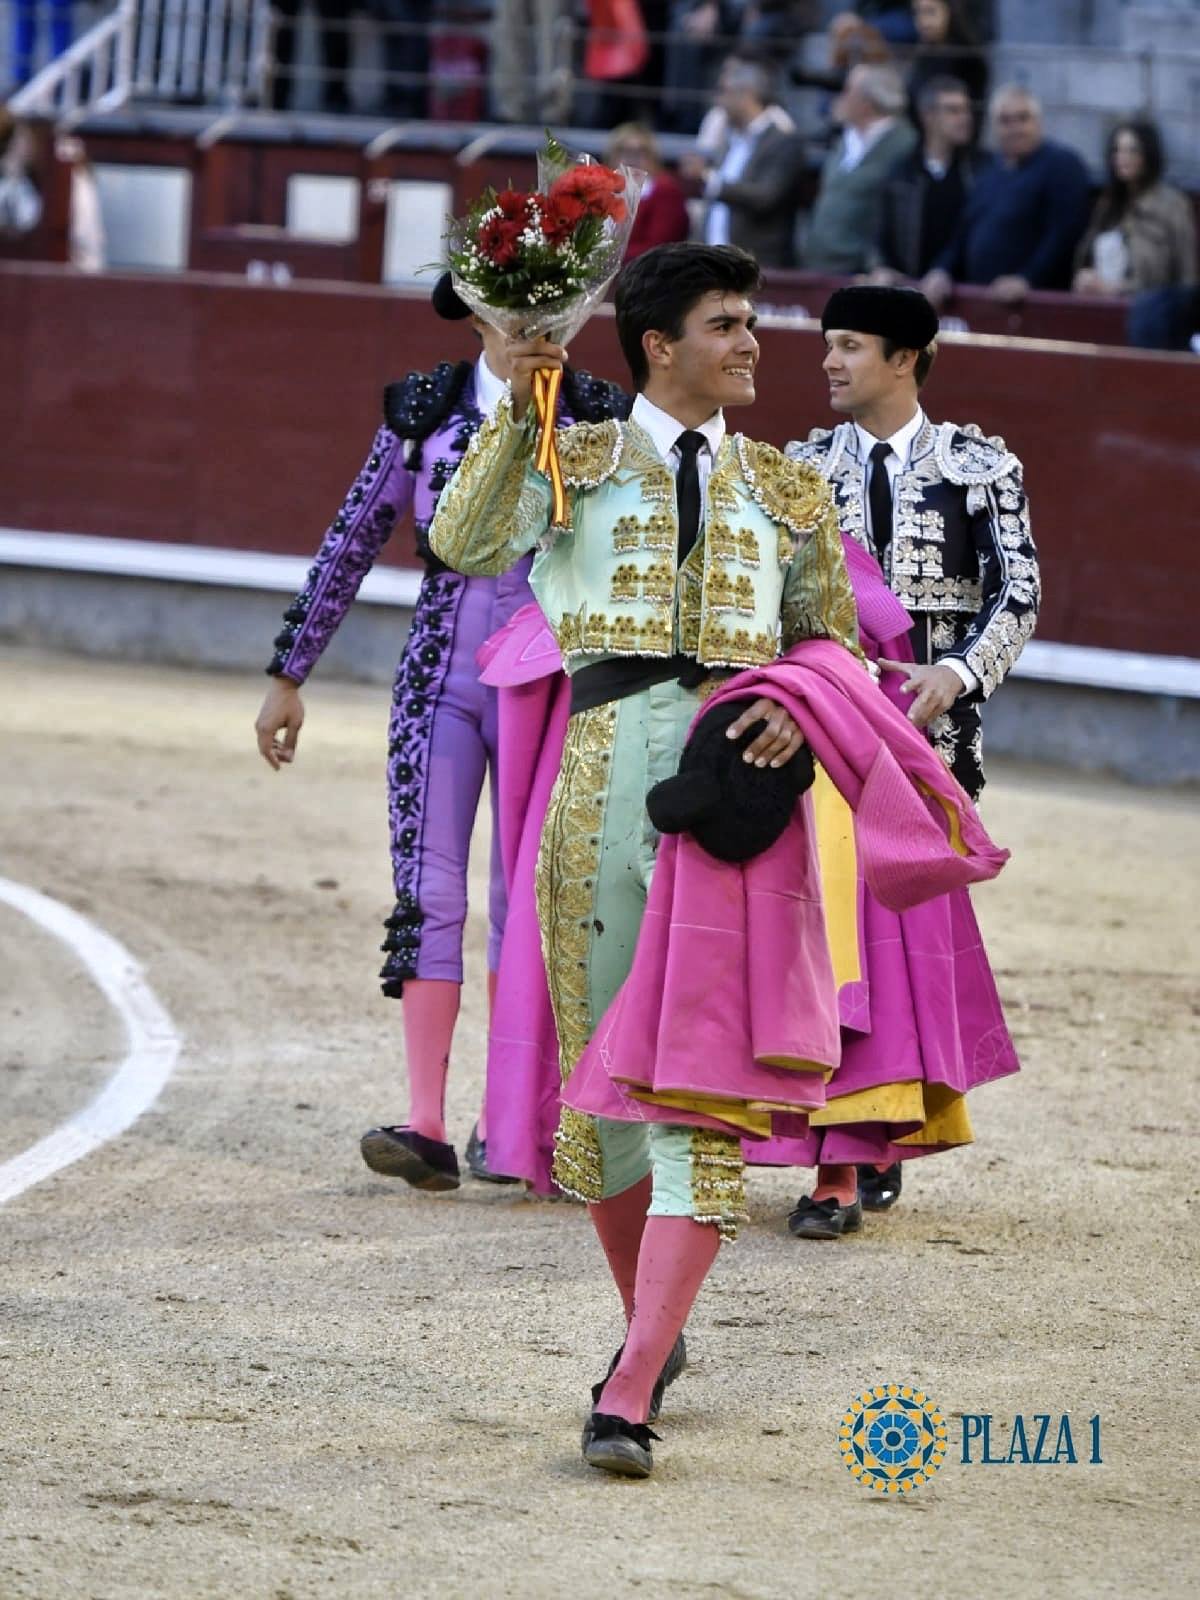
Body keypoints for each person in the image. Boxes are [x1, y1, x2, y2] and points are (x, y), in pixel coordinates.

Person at [427, 242, 861, 1476]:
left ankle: (628, 1385)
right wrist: (517, 391)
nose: (753, 343)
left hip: (731, 806)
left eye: (753, 322)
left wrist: (806, 701)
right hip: (598, 793)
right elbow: (462, 544)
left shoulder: (789, 490)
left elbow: (835, 645)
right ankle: (649, 1328)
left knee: (698, 1101)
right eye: (726, 324)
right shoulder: (574, 453)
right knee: (606, 1095)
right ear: (659, 344)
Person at [254, 273, 627, 1191]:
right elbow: (352, 536)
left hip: (555, 678)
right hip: (439, 673)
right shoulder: (425, 408)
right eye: (515, 304)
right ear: (477, 313)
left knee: (529, 897)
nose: (534, 322)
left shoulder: (599, 417)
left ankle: (514, 1125)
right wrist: (287, 673)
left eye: (554, 304)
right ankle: (426, 1123)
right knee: (429, 888)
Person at [782, 283, 1037, 1231]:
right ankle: (842, 1156)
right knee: (837, 939)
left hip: (930, 743)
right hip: (827, 736)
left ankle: (884, 1124)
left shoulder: (978, 466)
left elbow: (1017, 595)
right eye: (827, 346)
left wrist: (958, 676)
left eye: (849, 346)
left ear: (907, 357)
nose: (830, 364)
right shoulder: (797, 468)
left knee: (903, 947)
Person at [922, 85, 1091, 307]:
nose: (1015, 128)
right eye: (1005, 120)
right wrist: (941, 269)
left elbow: (1063, 235)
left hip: (1036, 304)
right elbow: (962, 234)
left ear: (1038, 122)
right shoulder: (988, 171)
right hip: (981, 300)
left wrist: (1028, 278)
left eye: (1023, 118)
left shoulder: (1062, 165)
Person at [690, 58, 809, 268]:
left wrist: (711, 181)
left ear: (746, 95)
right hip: (712, 263)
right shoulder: (730, 139)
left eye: (724, 91)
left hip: (756, 267)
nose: (718, 100)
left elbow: (766, 196)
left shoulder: (783, 141)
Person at [802, 63, 918, 274]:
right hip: (819, 264)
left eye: (848, 90)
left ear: (867, 102)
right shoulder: (845, 140)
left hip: (861, 269)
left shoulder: (903, 143)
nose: (840, 97)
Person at [874, 75, 991, 281]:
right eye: (953, 110)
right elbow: (881, 232)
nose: (965, 118)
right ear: (928, 116)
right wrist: (881, 268)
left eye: (966, 109)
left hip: (969, 291)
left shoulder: (983, 169)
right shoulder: (903, 171)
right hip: (911, 289)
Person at [1073, 119, 1197, 299]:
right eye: (1118, 150)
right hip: (1099, 308)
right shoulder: (1108, 204)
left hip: (1148, 313)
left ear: (1148, 154)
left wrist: (1118, 288)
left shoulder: (1172, 205)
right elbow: (1086, 257)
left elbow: (1186, 275)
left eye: (1132, 150)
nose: (1123, 157)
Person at [606, 124, 690, 259]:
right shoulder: (602, 191)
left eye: (641, 152)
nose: (632, 158)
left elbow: (658, 247)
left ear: (654, 158)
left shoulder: (666, 192)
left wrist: (603, 257)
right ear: (612, 156)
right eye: (624, 151)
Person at [906, 0, 988, 123]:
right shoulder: (922, 56)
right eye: (917, 13)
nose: (923, 21)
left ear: (948, 12)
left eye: (930, 11)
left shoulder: (967, 58)